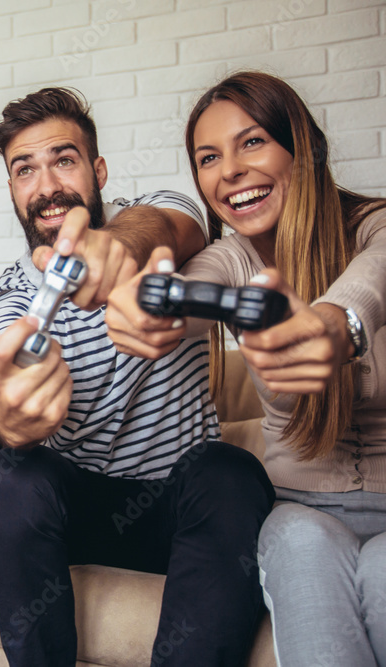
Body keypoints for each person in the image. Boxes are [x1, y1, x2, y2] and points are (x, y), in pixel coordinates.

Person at [0, 87, 275, 666]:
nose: (47, 184)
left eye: (64, 159)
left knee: (232, 470)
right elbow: (5, 389)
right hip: (75, 508)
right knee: (10, 473)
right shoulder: (11, 292)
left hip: (176, 507)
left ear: (98, 170)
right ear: (11, 188)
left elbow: (163, 226)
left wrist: (115, 249)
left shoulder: (162, 213)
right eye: (24, 169)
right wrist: (9, 411)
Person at [106, 71, 386, 666]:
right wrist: (145, 309)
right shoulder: (228, 260)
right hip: (299, 509)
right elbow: (184, 299)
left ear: (303, 149)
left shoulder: (376, 229)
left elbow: (373, 281)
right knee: (299, 546)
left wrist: (338, 324)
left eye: (252, 142)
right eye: (209, 157)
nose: (228, 170)